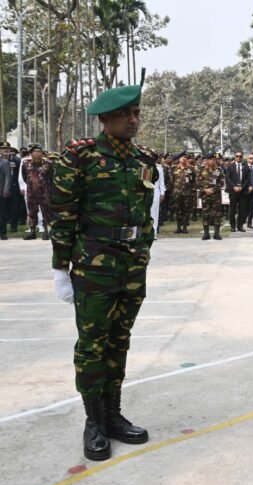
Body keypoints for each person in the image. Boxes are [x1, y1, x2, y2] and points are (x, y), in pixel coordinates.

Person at [50, 84, 156, 461]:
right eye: (126, 115)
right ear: (106, 118)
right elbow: (62, 215)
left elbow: (147, 214)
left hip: (131, 265)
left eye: (136, 113)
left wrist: (145, 249)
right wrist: (61, 267)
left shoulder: (143, 159)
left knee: (119, 341)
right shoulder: (81, 157)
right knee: (92, 346)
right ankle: (93, 422)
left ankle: (113, 415)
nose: (133, 120)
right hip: (95, 264)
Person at [22, 144, 54, 240]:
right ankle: (32, 231)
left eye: (39, 151)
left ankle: (46, 231)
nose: (37, 153)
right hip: (31, 193)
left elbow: (51, 177)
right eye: (34, 151)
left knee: (46, 212)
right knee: (32, 212)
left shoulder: (48, 164)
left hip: (44, 193)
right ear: (31, 153)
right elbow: (24, 177)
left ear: (42, 153)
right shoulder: (25, 164)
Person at [198, 153, 225, 240]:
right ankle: (206, 233)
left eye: (214, 160)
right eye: (211, 159)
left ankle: (216, 233)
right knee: (205, 214)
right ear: (207, 160)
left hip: (216, 196)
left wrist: (213, 190)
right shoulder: (202, 170)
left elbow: (221, 182)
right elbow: (198, 182)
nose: (213, 161)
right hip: (205, 195)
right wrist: (205, 190)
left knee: (217, 214)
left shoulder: (219, 171)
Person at [226, 151, 251, 232]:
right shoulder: (230, 166)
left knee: (242, 209)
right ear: (235, 156)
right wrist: (234, 187)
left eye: (240, 156)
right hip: (233, 191)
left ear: (242, 157)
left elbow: (248, 179)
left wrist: (242, 187)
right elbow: (228, 178)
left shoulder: (246, 166)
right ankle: (232, 226)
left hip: (242, 191)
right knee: (232, 209)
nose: (239, 158)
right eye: (237, 156)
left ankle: (240, 225)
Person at [172, 153, 196, 234]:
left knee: (186, 210)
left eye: (185, 157)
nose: (183, 158)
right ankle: (178, 227)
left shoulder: (191, 169)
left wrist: (192, 191)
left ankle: (185, 227)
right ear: (179, 159)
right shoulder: (174, 168)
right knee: (178, 210)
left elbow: (193, 181)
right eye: (182, 157)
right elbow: (172, 181)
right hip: (177, 193)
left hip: (187, 193)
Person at [150, 158, 166, 236]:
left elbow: (161, 182)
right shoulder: (144, 166)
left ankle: (154, 232)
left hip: (156, 192)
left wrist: (162, 193)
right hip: (146, 192)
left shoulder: (159, 168)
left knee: (154, 213)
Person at [0, 144, 11, 240]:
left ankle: (3, 233)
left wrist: (6, 189)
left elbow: (8, 177)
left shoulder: (4, 162)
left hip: (1, 191)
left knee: (2, 214)